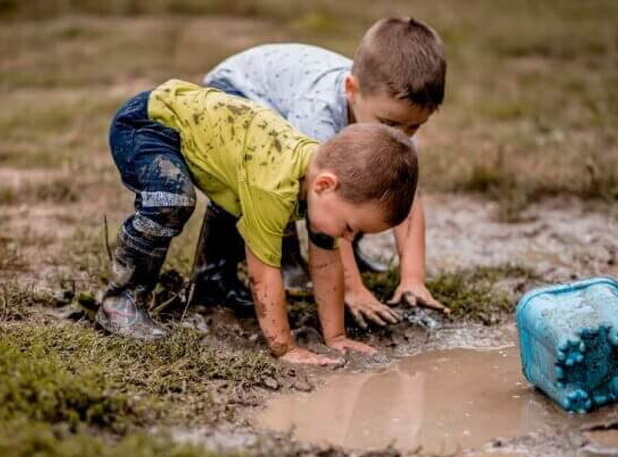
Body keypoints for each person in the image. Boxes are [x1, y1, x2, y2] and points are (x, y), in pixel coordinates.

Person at [96, 79, 419, 365]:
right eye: (351, 227)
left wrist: (335, 338)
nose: (349, 237)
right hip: (149, 125)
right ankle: (120, 301)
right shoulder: (273, 187)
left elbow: (325, 263)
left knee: (239, 204)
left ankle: (212, 286)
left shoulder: (319, 181)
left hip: (205, 139)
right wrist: (284, 347)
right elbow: (263, 274)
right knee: (173, 199)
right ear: (325, 185)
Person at [203, 17, 449, 326]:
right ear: (352, 90)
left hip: (282, 97)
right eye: (390, 124)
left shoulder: (392, 121)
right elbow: (328, 208)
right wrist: (352, 290)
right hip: (238, 92)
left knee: (371, 182)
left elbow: (408, 199)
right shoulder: (318, 114)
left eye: (415, 126)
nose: (401, 136)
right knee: (268, 183)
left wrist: (413, 278)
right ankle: (213, 275)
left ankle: (326, 258)